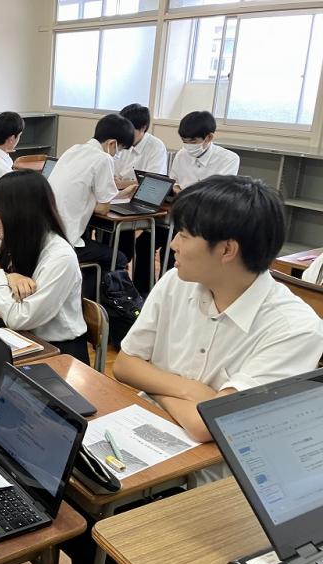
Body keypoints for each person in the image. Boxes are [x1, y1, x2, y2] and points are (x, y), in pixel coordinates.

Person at [115, 175, 323, 444]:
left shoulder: (295, 329)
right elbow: (125, 365)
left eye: (184, 235)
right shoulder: (176, 282)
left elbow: (210, 425)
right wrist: (188, 390)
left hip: (212, 462)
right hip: (144, 427)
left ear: (227, 250)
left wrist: (153, 385)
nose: (174, 244)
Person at [0, 171, 88, 363]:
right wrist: (4, 276)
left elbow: (18, 319)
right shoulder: (5, 242)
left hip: (59, 353)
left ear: (19, 212)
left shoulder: (60, 257)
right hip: (23, 342)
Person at [132, 110, 240, 294]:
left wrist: (185, 193)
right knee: (143, 243)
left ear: (209, 137)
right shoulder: (182, 154)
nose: (188, 145)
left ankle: (172, 293)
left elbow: (216, 196)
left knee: (173, 252)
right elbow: (174, 184)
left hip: (203, 223)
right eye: (184, 140)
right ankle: (144, 292)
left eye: (193, 141)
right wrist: (177, 191)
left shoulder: (228, 159)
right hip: (179, 216)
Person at [47, 114, 138, 297]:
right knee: (119, 258)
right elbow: (103, 208)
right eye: (120, 149)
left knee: (95, 244)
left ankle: (87, 296)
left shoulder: (73, 150)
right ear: (112, 143)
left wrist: (121, 193)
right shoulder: (103, 159)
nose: (117, 154)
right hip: (66, 240)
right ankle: (99, 304)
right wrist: (86, 205)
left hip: (48, 232)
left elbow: (85, 194)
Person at [113, 103, 167, 189]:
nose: (124, 134)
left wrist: (122, 184)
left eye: (129, 130)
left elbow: (153, 182)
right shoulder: (120, 141)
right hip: (118, 192)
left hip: (142, 193)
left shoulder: (156, 146)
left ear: (143, 128)